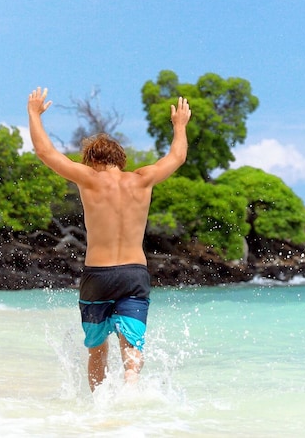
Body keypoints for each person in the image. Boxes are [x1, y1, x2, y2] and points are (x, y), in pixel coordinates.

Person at [27, 87, 190, 391]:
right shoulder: (143, 179)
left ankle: (100, 409)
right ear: (120, 159)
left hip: (97, 275)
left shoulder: (88, 179)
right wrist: (179, 125)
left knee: (97, 350)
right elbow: (178, 156)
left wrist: (34, 114)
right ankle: (131, 386)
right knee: (132, 345)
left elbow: (45, 153)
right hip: (133, 273)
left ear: (91, 161)